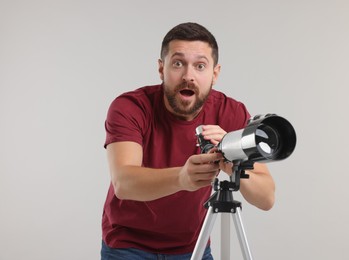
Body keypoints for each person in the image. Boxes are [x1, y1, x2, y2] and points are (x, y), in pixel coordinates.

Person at [101, 22, 275, 260]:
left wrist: (233, 162)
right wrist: (182, 178)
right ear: (161, 69)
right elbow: (124, 183)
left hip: (193, 246)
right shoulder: (131, 107)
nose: (188, 76)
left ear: (215, 73)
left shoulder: (230, 112)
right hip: (128, 245)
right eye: (178, 63)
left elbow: (266, 198)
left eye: (200, 66)